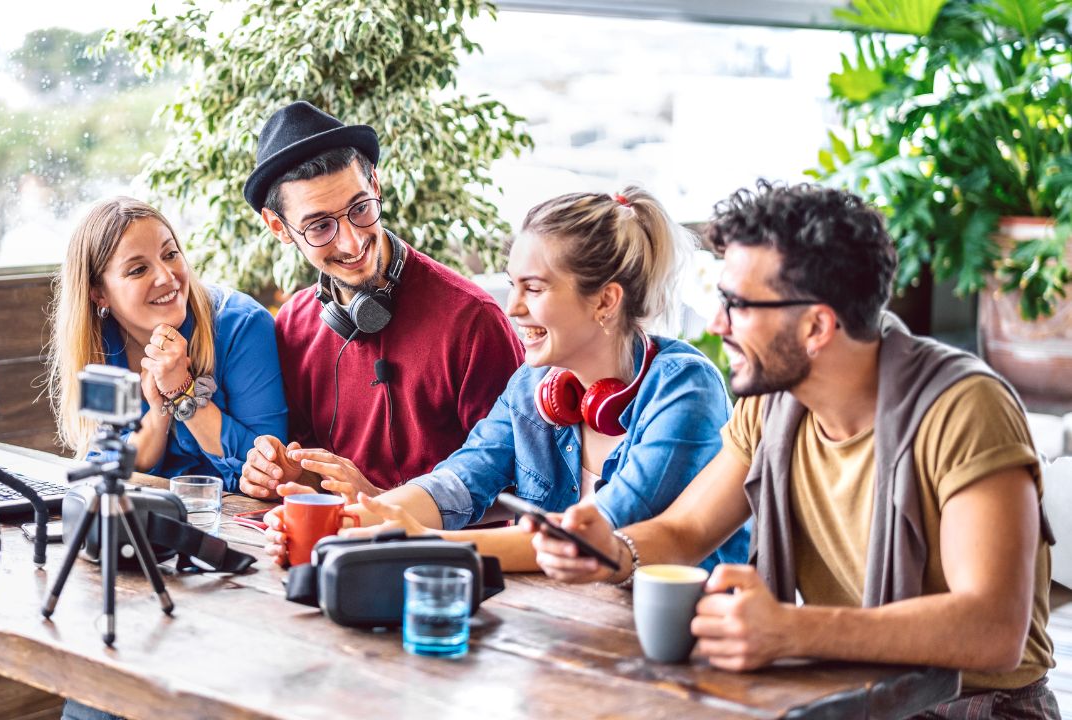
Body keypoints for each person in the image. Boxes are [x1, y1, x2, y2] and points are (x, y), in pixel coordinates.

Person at [531, 182, 1058, 717]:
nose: (717, 324)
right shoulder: (774, 405)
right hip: (848, 693)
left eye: (736, 305)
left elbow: (994, 629)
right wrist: (613, 550)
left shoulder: (965, 408)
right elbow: (686, 530)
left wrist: (789, 630)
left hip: (978, 706)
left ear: (816, 326)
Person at [263, 188, 750, 572]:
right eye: (512, 284)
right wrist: (351, 522)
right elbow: (461, 479)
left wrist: (417, 541)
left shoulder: (685, 389)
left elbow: (593, 538)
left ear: (605, 301)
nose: (513, 309)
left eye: (533, 289)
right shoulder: (534, 384)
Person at [239, 101, 524, 499]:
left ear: (375, 185)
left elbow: (517, 491)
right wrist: (281, 475)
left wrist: (381, 502)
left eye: (360, 209)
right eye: (320, 226)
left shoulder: (473, 322)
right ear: (279, 228)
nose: (352, 241)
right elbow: (311, 479)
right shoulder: (293, 325)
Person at [46, 197, 288, 489]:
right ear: (99, 294)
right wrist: (159, 412)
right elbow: (106, 464)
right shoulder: (99, 342)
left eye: (170, 254)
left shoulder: (240, 325)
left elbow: (269, 468)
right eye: (138, 270)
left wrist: (181, 390)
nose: (166, 276)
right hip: (144, 516)